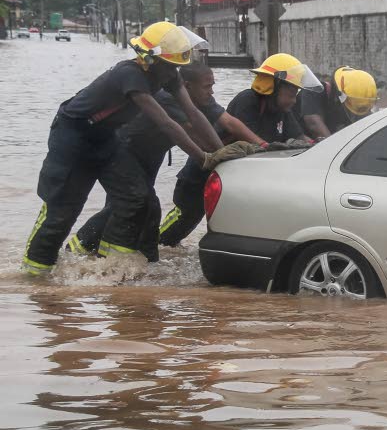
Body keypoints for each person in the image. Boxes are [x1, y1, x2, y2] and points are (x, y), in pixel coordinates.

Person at [21, 21, 222, 276]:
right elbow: (166, 123)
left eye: (177, 67)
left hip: (106, 139)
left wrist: (218, 153)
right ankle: (33, 276)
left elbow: (193, 112)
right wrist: (203, 158)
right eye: (171, 66)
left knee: (138, 198)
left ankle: (111, 268)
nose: (174, 73)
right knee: (63, 210)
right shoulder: (130, 74)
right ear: (151, 60)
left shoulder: (167, 75)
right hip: (73, 138)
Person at [69, 63, 267, 261]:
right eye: (207, 86)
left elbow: (229, 122)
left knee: (141, 208)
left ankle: (142, 259)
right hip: (126, 152)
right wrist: (217, 155)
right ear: (187, 86)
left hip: (151, 155)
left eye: (212, 85)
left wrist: (262, 145)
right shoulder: (167, 99)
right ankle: (82, 249)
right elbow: (192, 133)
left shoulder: (201, 99)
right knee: (132, 205)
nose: (211, 91)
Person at [159, 52, 319, 247]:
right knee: (182, 222)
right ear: (273, 87)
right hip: (200, 176)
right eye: (291, 94)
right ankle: (154, 245)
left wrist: (320, 147)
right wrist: (264, 146)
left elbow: (301, 137)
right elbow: (244, 137)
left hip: (231, 181)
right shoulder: (247, 101)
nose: (294, 101)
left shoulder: (283, 112)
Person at [295, 67, 379, 140]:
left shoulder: (357, 101)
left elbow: (369, 124)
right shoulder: (313, 90)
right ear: (338, 96)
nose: (354, 113)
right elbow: (313, 124)